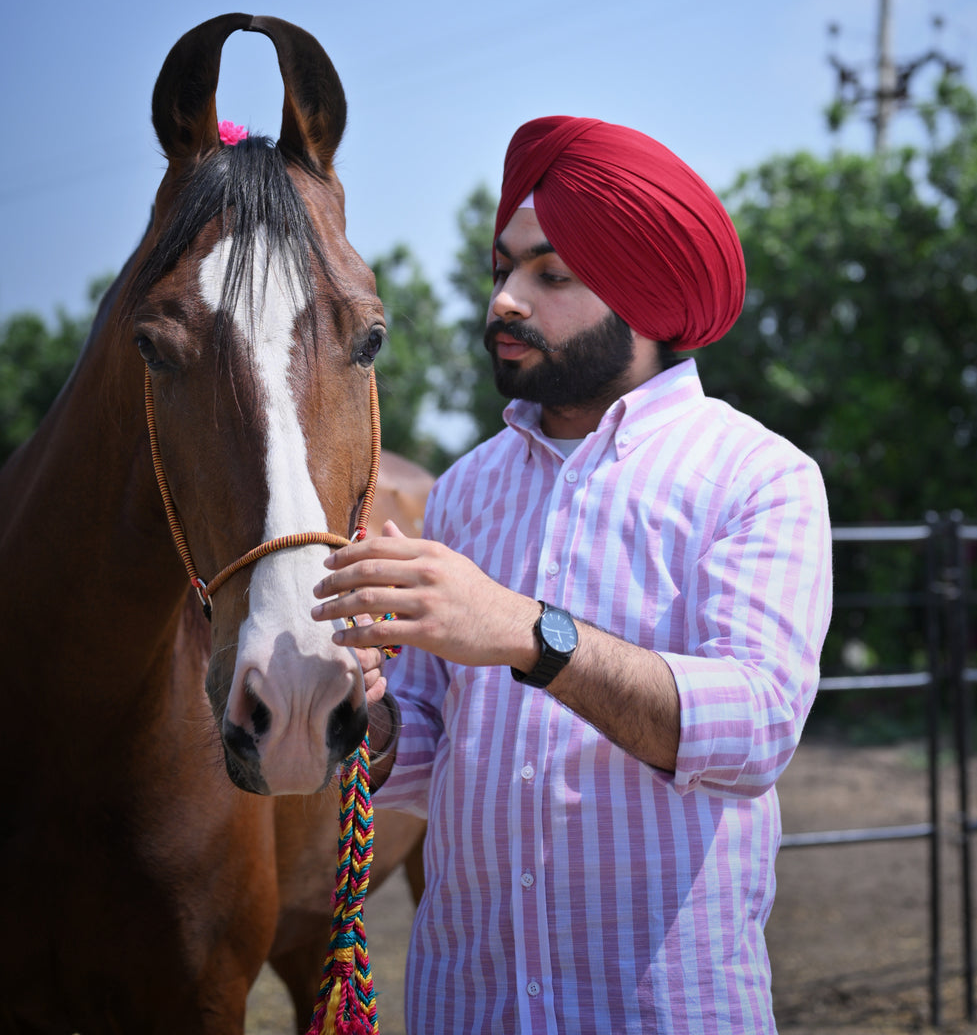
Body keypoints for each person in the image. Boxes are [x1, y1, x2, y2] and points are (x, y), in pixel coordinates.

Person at [312, 114, 833, 1035]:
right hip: (465, 1009)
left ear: (648, 297)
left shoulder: (760, 478)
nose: (505, 299)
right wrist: (368, 712)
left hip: (662, 1014)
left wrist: (522, 631)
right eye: (503, 269)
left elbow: (755, 729)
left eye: (551, 274)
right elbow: (431, 746)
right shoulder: (468, 487)